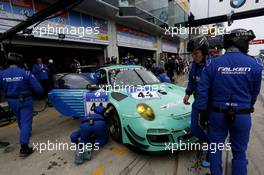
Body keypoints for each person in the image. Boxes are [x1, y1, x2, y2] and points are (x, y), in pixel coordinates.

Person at [196, 29, 263, 175]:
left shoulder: (212, 64)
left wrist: (202, 112)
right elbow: (254, 92)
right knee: (239, 154)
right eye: (247, 42)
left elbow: (202, 92)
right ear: (241, 42)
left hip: (217, 115)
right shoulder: (256, 64)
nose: (248, 45)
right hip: (242, 116)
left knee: (215, 151)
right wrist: (248, 105)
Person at [0, 53, 43, 157]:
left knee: (19, 118)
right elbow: (39, 89)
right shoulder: (26, 73)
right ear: (19, 62)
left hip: (11, 101)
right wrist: (40, 94)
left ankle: (25, 132)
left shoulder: (1, 74)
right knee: (26, 122)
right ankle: (24, 148)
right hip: (25, 100)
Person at [183, 35, 210, 167]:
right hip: (198, 102)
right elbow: (191, 81)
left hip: (211, 106)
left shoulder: (212, 65)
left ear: (204, 51)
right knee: (194, 128)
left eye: (196, 53)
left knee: (212, 131)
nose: (193, 56)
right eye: (192, 54)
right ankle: (209, 142)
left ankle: (211, 154)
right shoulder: (194, 65)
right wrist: (188, 93)